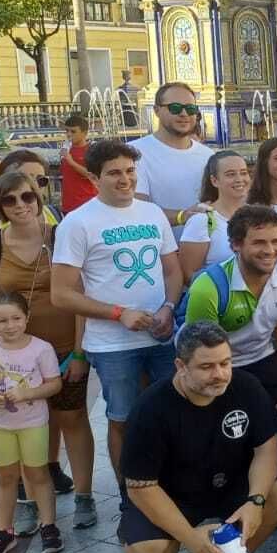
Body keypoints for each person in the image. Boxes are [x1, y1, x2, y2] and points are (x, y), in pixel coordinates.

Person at [0, 170, 96, 534]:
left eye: (27, 196)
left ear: (38, 198)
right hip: (11, 355)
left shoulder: (61, 236)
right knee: (22, 422)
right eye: (9, 200)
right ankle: (28, 497)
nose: (20, 205)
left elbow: (80, 297)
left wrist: (78, 352)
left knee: (73, 419)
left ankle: (85, 496)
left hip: (61, 348)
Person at [51, 139, 183, 474]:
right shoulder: (77, 223)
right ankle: (129, 493)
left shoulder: (152, 213)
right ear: (94, 179)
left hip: (161, 337)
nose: (125, 179)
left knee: (172, 414)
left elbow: (172, 270)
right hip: (113, 345)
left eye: (129, 170)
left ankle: (170, 486)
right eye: (114, 173)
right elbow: (61, 294)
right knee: (122, 418)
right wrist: (118, 313)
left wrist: (168, 306)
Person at [182, 205, 277, 405]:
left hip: (263, 356)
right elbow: (199, 356)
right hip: (217, 366)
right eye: (259, 242)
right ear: (236, 244)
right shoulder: (207, 288)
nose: (269, 251)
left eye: (275, 241)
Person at [0, 291, 63, 553]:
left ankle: (48, 524)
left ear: (27, 318)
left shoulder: (41, 348)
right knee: (5, 478)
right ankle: (3, 531)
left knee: (37, 474)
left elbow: (54, 384)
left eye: (16, 318)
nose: (10, 325)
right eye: (2, 320)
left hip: (32, 423)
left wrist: (27, 394)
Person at [133, 82, 213, 235]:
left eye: (190, 109)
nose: (184, 114)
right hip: (159, 252)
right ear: (156, 110)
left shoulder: (208, 155)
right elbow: (136, 208)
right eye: (175, 108)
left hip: (204, 249)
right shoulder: (135, 153)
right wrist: (182, 216)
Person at [178, 150, 251, 278]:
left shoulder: (257, 215)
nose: (239, 179)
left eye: (243, 173)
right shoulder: (201, 220)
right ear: (214, 180)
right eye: (230, 174)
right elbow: (189, 275)